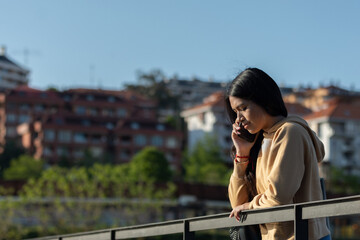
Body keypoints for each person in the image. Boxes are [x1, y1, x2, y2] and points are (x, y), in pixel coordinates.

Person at [225, 68, 330, 240]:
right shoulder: (261, 140)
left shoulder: (290, 132)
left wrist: (249, 206)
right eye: (235, 112)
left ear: (263, 99)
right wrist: (242, 154)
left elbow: (278, 196)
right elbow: (237, 205)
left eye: (243, 108)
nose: (239, 118)